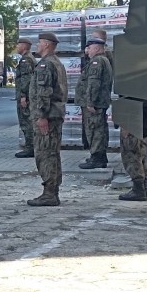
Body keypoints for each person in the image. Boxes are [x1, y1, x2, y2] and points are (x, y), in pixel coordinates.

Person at [26, 32, 67, 207]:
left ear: (48, 45)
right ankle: (52, 191)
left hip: (48, 117)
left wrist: (41, 115)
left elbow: (44, 92)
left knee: (45, 154)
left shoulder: (46, 65)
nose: (37, 46)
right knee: (52, 153)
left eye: (40, 43)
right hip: (54, 115)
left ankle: (50, 193)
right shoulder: (55, 63)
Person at [77, 37, 113, 169]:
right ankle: (100, 157)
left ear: (97, 48)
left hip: (95, 104)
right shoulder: (103, 60)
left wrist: (90, 102)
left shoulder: (97, 61)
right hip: (99, 103)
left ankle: (97, 158)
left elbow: (94, 83)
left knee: (94, 130)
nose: (87, 50)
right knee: (99, 129)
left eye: (90, 47)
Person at [14, 38, 36, 158]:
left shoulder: (26, 60)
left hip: (25, 96)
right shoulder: (28, 58)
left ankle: (30, 148)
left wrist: (23, 96)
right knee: (27, 122)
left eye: (18, 45)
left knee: (26, 122)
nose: (17, 47)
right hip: (27, 95)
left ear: (24, 46)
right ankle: (31, 147)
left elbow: (26, 80)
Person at [118, 126, 147, 201]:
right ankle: (142, 189)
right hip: (140, 124)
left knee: (131, 154)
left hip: (132, 124)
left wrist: (126, 126)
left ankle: (139, 190)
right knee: (140, 155)